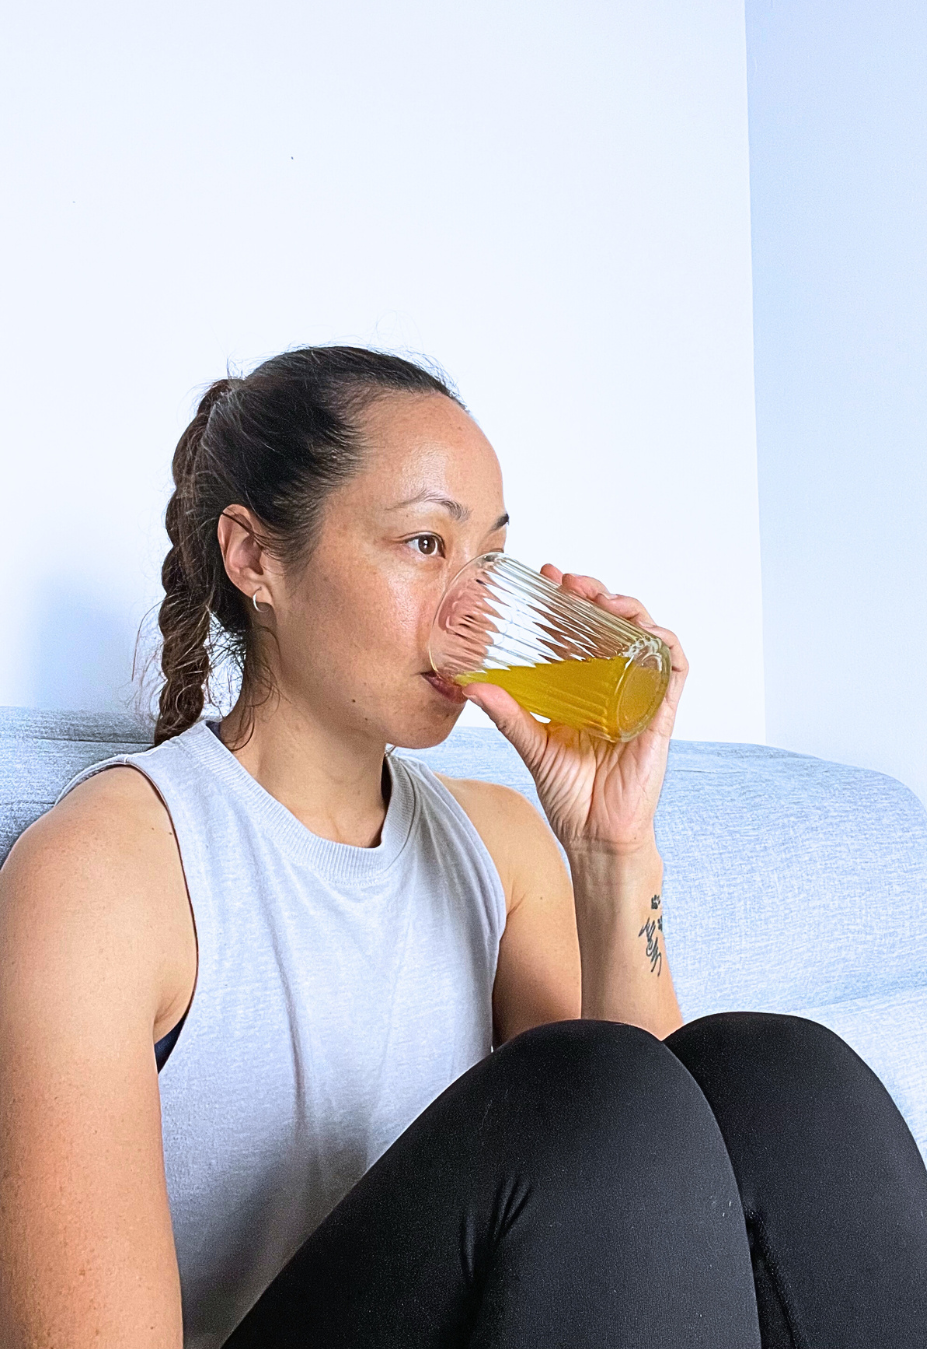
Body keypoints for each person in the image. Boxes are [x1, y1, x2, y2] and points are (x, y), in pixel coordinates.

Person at [1, 346, 924, 1349]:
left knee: (781, 1071)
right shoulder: (108, 872)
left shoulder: (496, 842)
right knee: (589, 1088)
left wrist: (611, 849)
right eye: (425, 545)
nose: (475, 609)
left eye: (488, 558)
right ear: (255, 556)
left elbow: (684, 1192)